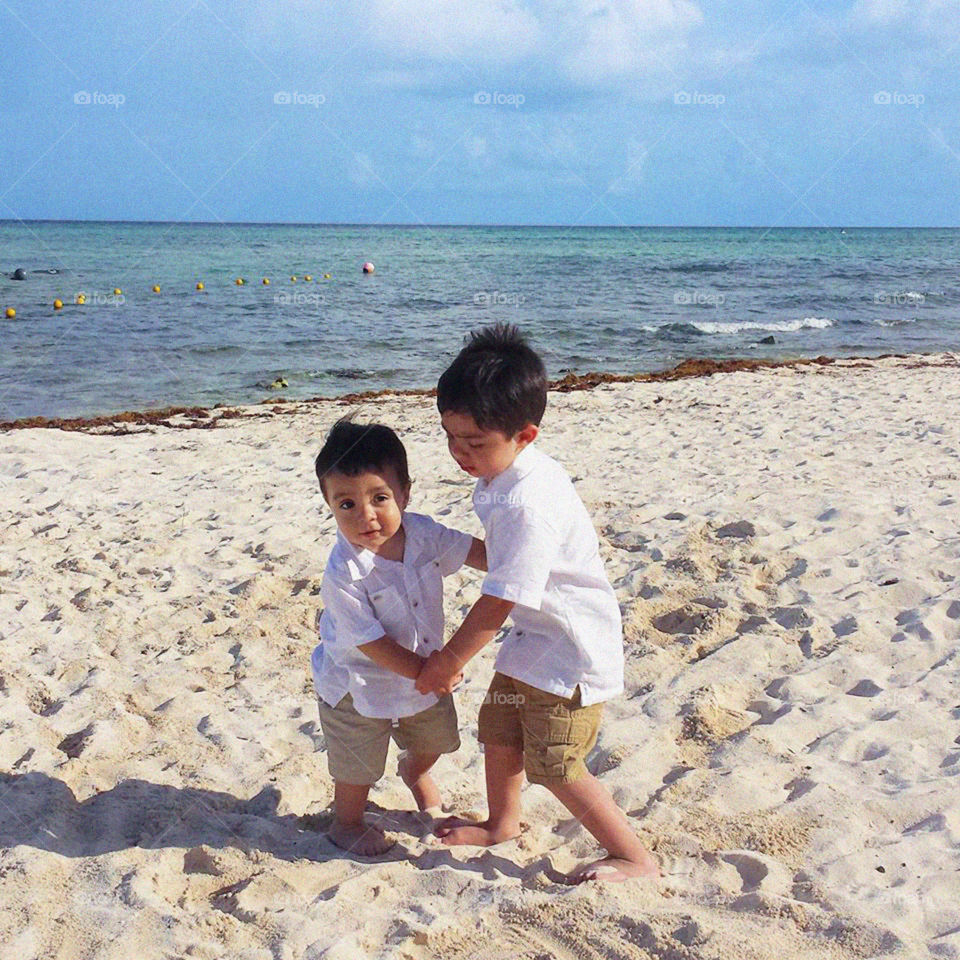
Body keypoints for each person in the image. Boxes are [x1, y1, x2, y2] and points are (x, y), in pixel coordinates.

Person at [415, 324, 659, 882]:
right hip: (533, 638)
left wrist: (450, 659)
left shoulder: (528, 500)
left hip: (569, 650)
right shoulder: (508, 474)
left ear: (525, 434)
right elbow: (508, 561)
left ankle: (634, 856)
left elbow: (501, 595)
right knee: (498, 728)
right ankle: (503, 823)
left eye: (474, 443)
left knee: (554, 762)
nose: (460, 453)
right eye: (450, 437)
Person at [312, 416, 485, 856]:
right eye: (346, 504)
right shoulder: (344, 571)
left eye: (380, 498)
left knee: (437, 738)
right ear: (329, 505)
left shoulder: (424, 534)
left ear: (405, 493)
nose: (366, 515)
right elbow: (369, 641)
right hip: (356, 681)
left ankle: (415, 771)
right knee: (358, 761)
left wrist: (516, 562)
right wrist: (427, 673)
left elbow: (471, 552)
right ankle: (347, 822)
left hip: (425, 668)